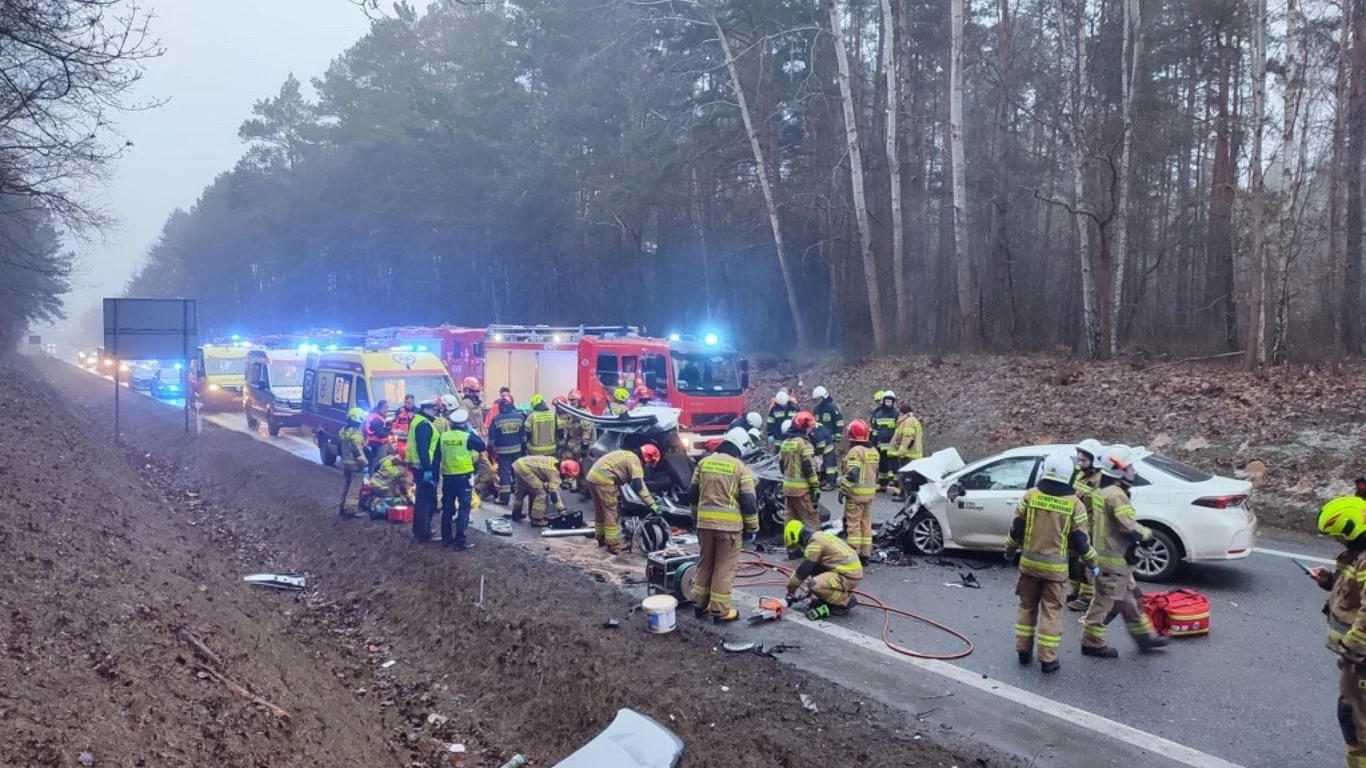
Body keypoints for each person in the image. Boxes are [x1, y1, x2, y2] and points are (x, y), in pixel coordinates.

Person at [1005, 452, 1099, 674]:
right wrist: (1093, 562)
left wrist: (1009, 550)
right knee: (1052, 612)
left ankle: (1023, 651)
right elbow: (1081, 541)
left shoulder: (1031, 496)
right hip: (1055, 572)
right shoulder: (1075, 504)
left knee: (1026, 606)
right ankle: (1048, 660)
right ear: (1068, 475)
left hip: (1028, 566)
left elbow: (1016, 528)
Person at [1080, 445, 1168, 658]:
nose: (1133, 472)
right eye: (1130, 467)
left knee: (1129, 602)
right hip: (1113, 561)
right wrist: (1147, 535)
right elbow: (1127, 526)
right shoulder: (1116, 495)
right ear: (1119, 470)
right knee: (1104, 603)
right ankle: (1092, 642)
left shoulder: (1104, 490)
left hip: (1113, 558)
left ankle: (1145, 639)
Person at [1308, 495, 1366, 767]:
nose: (1339, 543)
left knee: (1355, 723)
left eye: (1340, 537)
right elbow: (1353, 595)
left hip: (1360, 661)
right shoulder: (1358, 556)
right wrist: (1329, 581)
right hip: (1356, 659)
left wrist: (1351, 650)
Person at [685, 427, 758, 623]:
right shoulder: (740, 468)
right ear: (740, 447)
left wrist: (695, 517)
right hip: (729, 529)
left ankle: (699, 604)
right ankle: (719, 610)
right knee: (724, 567)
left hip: (704, 525)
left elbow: (692, 494)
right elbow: (749, 502)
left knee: (705, 563)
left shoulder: (704, 463)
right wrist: (752, 528)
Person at [587, 445, 661, 553]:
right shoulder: (635, 460)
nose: (647, 465)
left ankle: (601, 537)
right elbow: (638, 485)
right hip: (604, 480)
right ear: (647, 457)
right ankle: (613, 544)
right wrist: (651, 503)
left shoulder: (628, 455)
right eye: (649, 462)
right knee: (611, 512)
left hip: (593, 477)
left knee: (600, 511)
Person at [783, 520, 862, 621]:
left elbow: (802, 571)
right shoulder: (819, 535)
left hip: (849, 575)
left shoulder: (814, 544)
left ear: (797, 538)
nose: (800, 548)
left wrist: (791, 589)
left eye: (797, 545)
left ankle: (845, 601)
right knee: (814, 570)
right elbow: (813, 568)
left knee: (814, 585)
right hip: (848, 570)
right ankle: (829, 597)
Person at [1067, 439, 1106, 611]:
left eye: (1083, 460)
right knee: (1073, 562)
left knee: (1086, 565)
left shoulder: (1100, 480)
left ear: (1095, 460)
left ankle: (1086, 597)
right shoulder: (1081, 475)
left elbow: (1100, 509)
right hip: (1076, 526)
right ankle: (1074, 591)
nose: (1079, 463)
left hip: (1090, 529)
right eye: (1079, 459)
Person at [439, 408, 486, 550]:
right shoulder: (467, 437)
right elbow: (482, 446)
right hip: (463, 477)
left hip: (447, 476)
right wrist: (471, 432)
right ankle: (460, 540)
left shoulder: (444, 436)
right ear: (465, 423)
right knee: (464, 508)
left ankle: (446, 538)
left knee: (447, 508)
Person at [839, 419, 879, 562]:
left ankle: (852, 554)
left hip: (856, 495)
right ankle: (865, 554)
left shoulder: (856, 451)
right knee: (866, 524)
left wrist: (843, 489)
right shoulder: (874, 451)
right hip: (869, 495)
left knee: (853, 524)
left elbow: (853, 473)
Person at [406, 398, 442, 542]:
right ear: (426, 409)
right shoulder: (424, 425)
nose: (436, 413)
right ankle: (424, 533)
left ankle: (419, 530)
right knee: (427, 501)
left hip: (418, 466)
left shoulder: (418, 420)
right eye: (434, 410)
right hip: (424, 467)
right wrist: (428, 469)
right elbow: (423, 449)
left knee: (422, 499)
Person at [780, 412, 821, 529]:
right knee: (811, 520)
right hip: (802, 490)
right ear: (804, 427)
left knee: (791, 521)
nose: (810, 430)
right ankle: (814, 546)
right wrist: (815, 487)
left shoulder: (785, 443)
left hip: (788, 489)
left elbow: (781, 467)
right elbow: (809, 468)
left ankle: (792, 547)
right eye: (809, 427)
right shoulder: (804, 444)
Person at [511, 455, 576, 527]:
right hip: (525, 469)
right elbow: (553, 493)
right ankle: (536, 519)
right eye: (568, 476)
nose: (567, 478)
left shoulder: (555, 462)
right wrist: (561, 509)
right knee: (541, 493)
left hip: (519, 465)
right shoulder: (555, 473)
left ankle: (516, 512)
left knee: (521, 491)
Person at [489, 398, 527, 504]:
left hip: (502, 452)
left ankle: (504, 498)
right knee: (518, 473)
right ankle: (519, 497)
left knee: (505, 474)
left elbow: (491, 439)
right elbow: (524, 437)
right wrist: (524, 449)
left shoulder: (496, 419)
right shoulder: (520, 417)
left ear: (500, 407)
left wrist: (490, 451)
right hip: (517, 450)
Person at [558, 389, 595, 487]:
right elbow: (569, 427)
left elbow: (587, 432)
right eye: (570, 401)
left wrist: (584, 447)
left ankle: (580, 485)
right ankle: (569, 480)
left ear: (579, 400)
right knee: (567, 458)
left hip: (582, 443)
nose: (571, 403)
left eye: (573, 401)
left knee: (581, 465)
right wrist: (564, 440)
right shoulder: (573, 412)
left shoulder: (584, 413)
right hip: (573, 442)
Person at [887, 403, 924, 500]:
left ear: (903, 413)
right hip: (913, 454)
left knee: (904, 476)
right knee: (911, 476)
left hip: (908, 454)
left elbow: (908, 438)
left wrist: (901, 451)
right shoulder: (914, 421)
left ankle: (904, 495)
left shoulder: (908, 422)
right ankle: (908, 494)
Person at [338, 408, 367, 517]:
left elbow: (339, 449)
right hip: (355, 464)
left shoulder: (343, 431)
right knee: (355, 486)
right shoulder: (356, 433)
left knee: (346, 484)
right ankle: (350, 510)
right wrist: (364, 463)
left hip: (345, 463)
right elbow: (358, 451)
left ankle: (342, 506)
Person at [870, 391, 900, 491]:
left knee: (894, 465)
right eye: (887, 401)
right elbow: (875, 430)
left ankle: (897, 485)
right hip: (881, 444)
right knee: (882, 464)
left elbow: (899, 430)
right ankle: (882, 485)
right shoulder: (878, 415)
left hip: (893, 445)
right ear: (883, 402)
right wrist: (873, 442)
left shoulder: (896, 414)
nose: (889, 403)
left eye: (890, 402)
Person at [368, 452, 414, 517]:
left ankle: (372, 497)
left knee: (394, 491)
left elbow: (376, 467)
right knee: (396, 500)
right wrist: (410, 500)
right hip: (383, 488)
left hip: (373, 482)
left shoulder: (388, 458)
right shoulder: (402, 471)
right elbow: (404, 488)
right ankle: (377, 506)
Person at [363, 400, 392, 471]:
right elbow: (380, 433)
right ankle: (373, 479)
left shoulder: (378, 416)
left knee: (376, 463)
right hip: (377, 444)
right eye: (386, 408)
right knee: (377, 464)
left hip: (377, 443)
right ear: (382, 407)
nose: (387, 410)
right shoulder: (376, 418)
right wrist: (391, 432)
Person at [808, 420, 837, 490]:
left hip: (826, 448)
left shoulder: (812, 430)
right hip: (827, 445)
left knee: (828, 467)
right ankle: (826, 480)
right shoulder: (812, 426)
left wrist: (817, 454)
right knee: (826, 465)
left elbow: (821, 444)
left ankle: (830, 483)